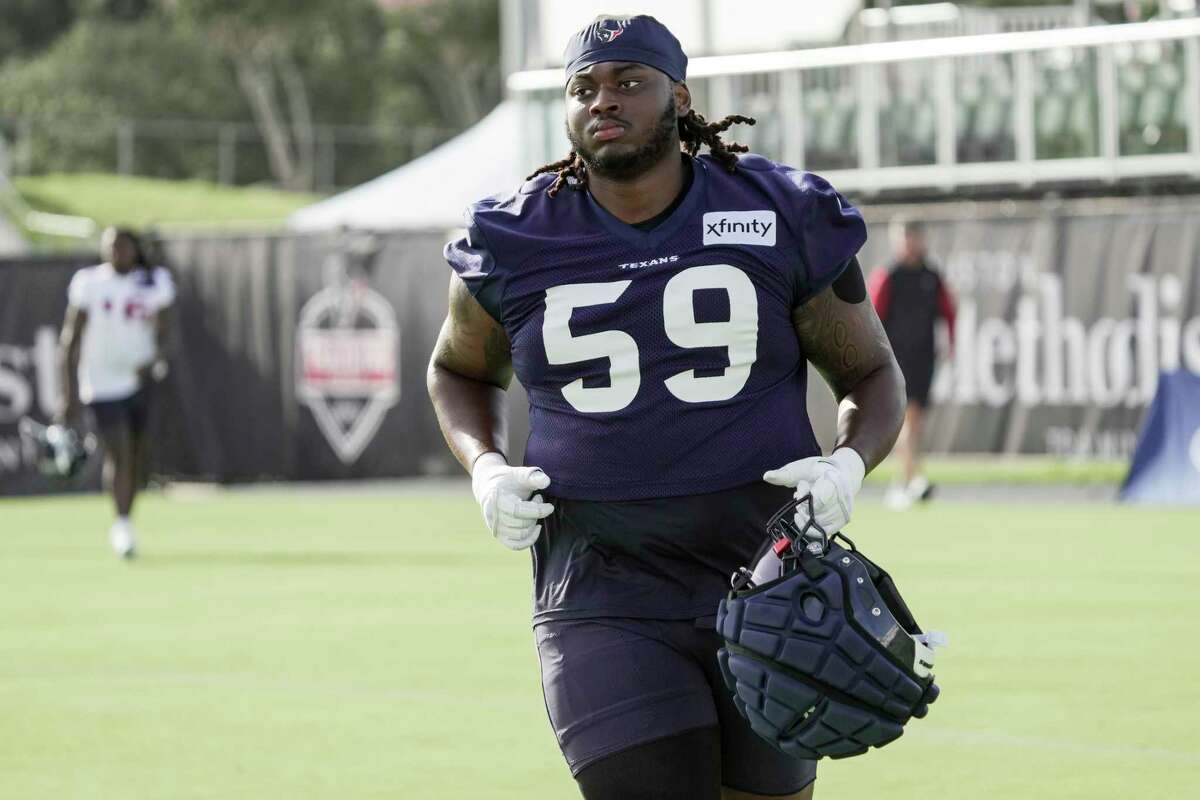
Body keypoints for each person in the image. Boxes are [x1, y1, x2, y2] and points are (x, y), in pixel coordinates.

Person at [427, 15, 905, 800]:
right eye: (583, 88)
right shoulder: (512, 235)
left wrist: (849, 464)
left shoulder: (780, 210)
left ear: (679, 99)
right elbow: (456, 371)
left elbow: (872, 373)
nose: (601, 100)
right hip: (602, 589)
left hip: (767, 578)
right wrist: (484, 468)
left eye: (626, 82)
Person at [58, 227, 175, 558]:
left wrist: (154, 358)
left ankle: (126, 516)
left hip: (139, 382)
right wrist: (68, 394)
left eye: (123, 247)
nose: (116, 253)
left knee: (138, 456)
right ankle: (122, 524)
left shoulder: (153, 282)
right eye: (111, 247)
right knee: (119, 452)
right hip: (101, 382)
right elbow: (70, 339)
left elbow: (166, 334)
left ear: (135, 250)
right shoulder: (90, 283)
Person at [868, 219, 956, 508]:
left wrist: (951, 345)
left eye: (913, 236)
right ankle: (909, 480)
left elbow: (949, 312)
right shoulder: (888, 276)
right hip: (895, 359)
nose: (909, 242)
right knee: (909, 418)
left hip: (924, 358)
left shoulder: (932, 275)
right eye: (903, 237)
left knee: (915, 422)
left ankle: (907, 480)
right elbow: (870, 318)